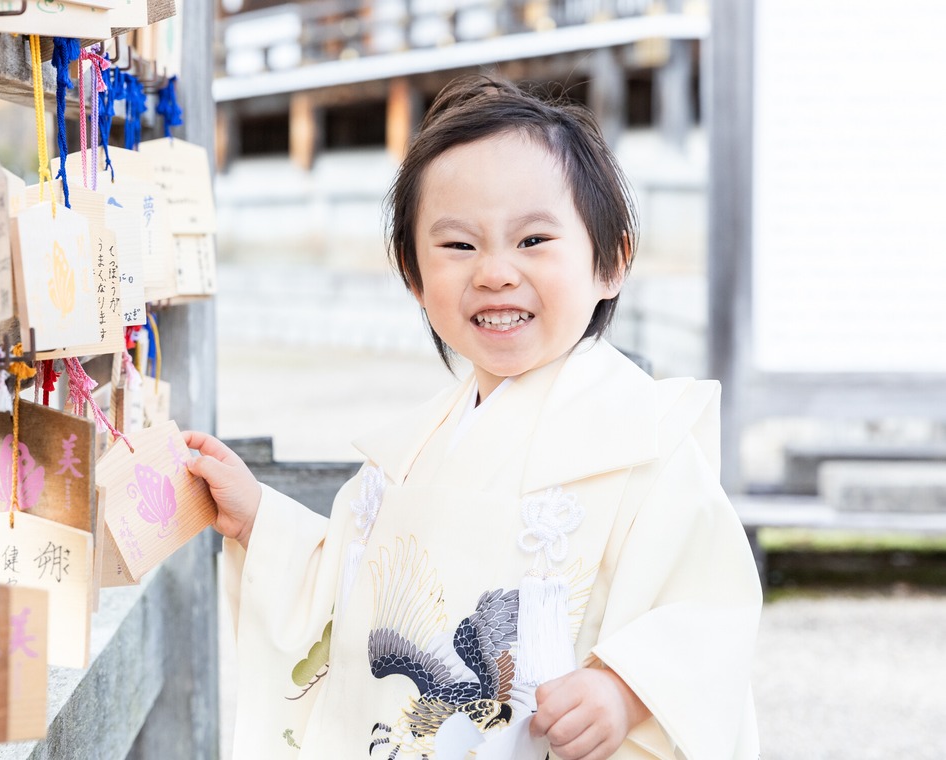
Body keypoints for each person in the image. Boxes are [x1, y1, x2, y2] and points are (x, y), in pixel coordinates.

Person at [184, 77, 762, 760]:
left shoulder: (645, 442)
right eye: (458, 246)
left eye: (533, 240)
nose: (494, 272)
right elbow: (354, 591)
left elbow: (707, 611)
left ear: (611, 261)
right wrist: (259, 521)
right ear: (413, 275)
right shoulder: (412, 449)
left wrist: (623, 692)